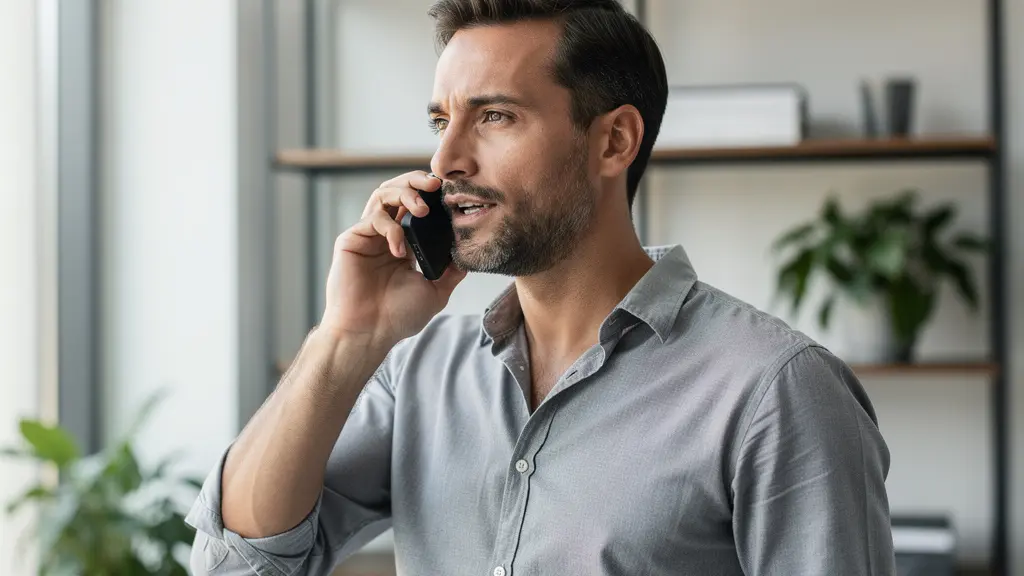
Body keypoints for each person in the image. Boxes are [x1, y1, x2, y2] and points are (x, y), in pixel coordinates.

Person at [186, 1, 896, 574]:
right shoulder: (420, 373)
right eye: (441, 121)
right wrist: (345, 339)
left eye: (494, 116)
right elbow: (237, 566)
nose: (445, 159)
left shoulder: (776, 390)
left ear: (614, 141)